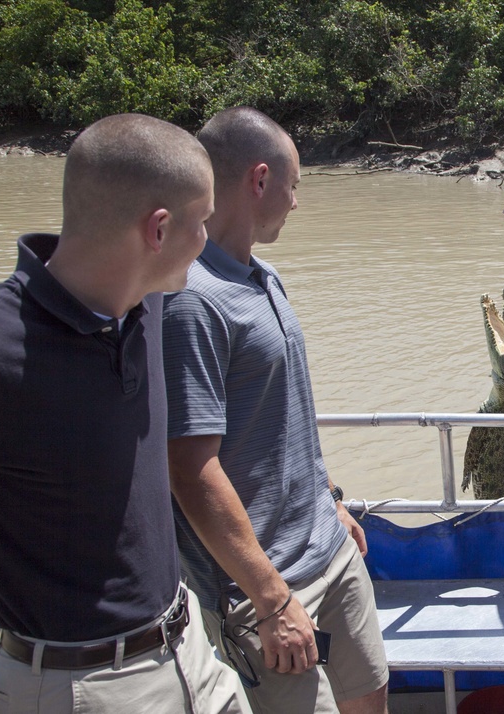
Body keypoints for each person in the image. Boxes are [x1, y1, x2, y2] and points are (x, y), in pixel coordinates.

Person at [0, 113, 250, 714]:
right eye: (201, 222)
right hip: (84, 689)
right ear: (158, 230)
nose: (207, 240)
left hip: (191, 654)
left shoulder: (145, 306)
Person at [162, 107, 389, 714]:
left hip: (330, 551)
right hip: (265, 586)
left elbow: (287, 412)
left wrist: (330, 497)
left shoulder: (266, 278)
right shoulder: (191, 301)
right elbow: (189, 468)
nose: (297, 201)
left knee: (371, 695)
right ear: (260, 180)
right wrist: (269, 599)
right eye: (295, 184)